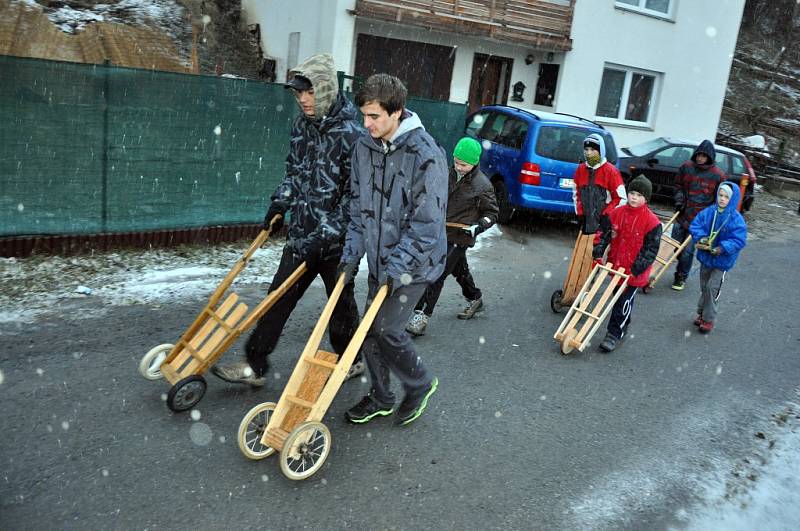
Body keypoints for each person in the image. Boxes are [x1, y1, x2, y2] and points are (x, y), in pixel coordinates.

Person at [211, 53, 364, 387]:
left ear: (325, 89)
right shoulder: (302, 126)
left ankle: (351, 358)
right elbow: (294, 171)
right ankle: (255, 364)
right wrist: (281, 203)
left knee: (339, 304)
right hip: (302, 233)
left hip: (337, 242)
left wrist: (325, 235)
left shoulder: (353, 136)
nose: (303, 100)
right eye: (298, 93)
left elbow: (356, 198)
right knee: (277, 296)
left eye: (309, 92)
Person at [338, 73, 447, 426]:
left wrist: (395, 268)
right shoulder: (364, 148)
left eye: (374, 117)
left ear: (397, 112)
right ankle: (382, 396)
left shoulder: (425, 155)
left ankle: (420, 384)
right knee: (368, 330)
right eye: (364, 116)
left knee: (385, 328)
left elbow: (426, 225)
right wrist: (350, 257)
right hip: (380, 259)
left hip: (416, 263)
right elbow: (358, 209)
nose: (366, 124)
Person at [406, 136, 499, 336]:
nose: (458, 167)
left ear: (474, 163)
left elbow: (492, 213)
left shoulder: (483, 185)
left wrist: (478, 226)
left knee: (437, 273)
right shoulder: (445, 174)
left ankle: (422, 314)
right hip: (439, 233)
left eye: (463, 164)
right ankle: (474, 297)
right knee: (458, 268)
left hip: (460, 236)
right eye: (456, 162)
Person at [592, 175, 662, 352]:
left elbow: (650, 250)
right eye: (631, 193)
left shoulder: (652, 222)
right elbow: (604, 235)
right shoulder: (617, 213)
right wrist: (598, 252)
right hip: (617, 266)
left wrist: (636, 269)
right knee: (620, 299)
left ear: (646, 198)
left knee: (622, 300)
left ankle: (613, 334)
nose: (633, 197)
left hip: (633, 272)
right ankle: (624, 321)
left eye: (638, 195)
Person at [688, 182, 747, 334]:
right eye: (720, 195)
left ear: (732, 199)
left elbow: (738, 239)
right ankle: (701, 313)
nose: (722, 199)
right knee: (703, 287)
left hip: (722, 261)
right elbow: (696, 225)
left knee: (711, 288)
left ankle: (708, 319)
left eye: (726, 197)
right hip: (706, 257)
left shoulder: (736, 218)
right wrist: (701, 238)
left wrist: (722, 248)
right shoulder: (709, 212)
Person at [670, 140, 727, 291]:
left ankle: (681, 277)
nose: (700, 158)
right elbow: (677, 186)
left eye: (704, 156)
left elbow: (719, 199)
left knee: (688, 250)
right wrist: (679, 200)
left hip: (699, 221)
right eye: (699, 155)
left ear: (710, 157)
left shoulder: (718, 176)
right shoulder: (686, 167)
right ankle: (680, 261)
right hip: (682, 213)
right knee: (675, 245)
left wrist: (711, 218)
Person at [573, 133, 627, 236]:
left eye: (593, 150)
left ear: (600, 151)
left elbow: (621, 199)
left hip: (603, 226)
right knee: (582, 251)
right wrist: (580, 213)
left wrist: (607, 216)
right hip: (585, 224)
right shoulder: (581, 169)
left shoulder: (611, 172)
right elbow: (576, 194)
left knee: (597, 251)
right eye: (586, 149)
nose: (588, 153)